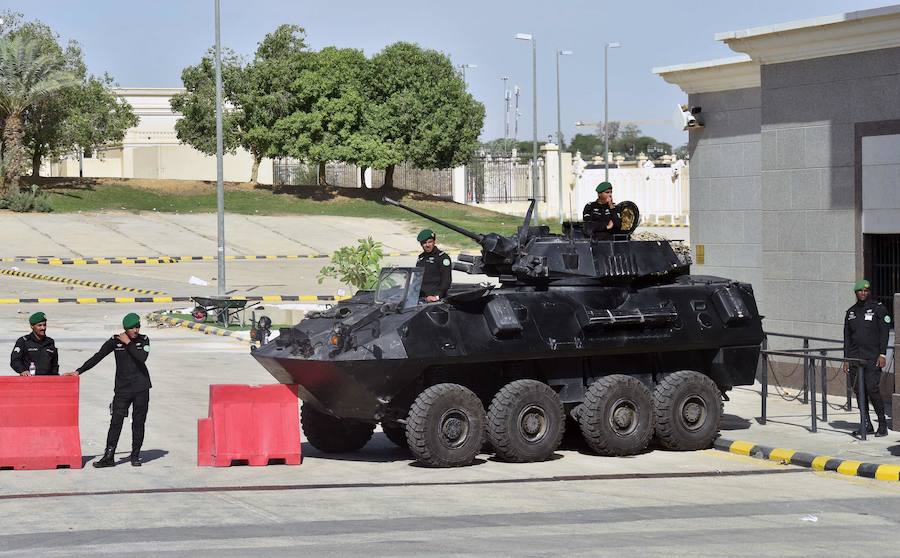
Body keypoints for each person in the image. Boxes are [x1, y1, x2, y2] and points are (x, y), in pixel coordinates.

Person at [67, 313, 152, 467]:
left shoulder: (143, 340)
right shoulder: (115, 341)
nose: (136, 330)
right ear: (126, 328)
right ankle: (109, 456)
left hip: (141, 388)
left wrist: (129, 343)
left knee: (139, 422)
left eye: (137, 327)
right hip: (122, 389)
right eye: (132, 328)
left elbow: (142, 358)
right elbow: (98, 356)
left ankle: (135, 455)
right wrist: (79, 371)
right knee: (116, 421)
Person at [842, 279, 892, 438]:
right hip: (855, 358)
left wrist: (882, 354)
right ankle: (866, 423)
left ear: (869, 292)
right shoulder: (851, 312)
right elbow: (847, 338)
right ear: (855, 293)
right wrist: (846, 359)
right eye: (860, 291)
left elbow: (885, 334)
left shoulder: (878, 309)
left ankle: (882, 424)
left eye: (866, 291)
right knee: (859, 391)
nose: (863, 293)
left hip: (872, 358)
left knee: (872, 389)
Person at [9, 312, 59, 376]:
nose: (43, 328)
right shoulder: (23, 341)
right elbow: (15, 360)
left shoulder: (50, 342)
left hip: (47, 382)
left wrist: (56, 378)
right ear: (32, 326)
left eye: (44, 325)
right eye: (39, 325)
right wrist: (23, 370)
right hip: (29, 381)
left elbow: (54, 364)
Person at [416, 228, 452, 302]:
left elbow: (446, 280)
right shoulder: (421, 258)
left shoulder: (442, 257)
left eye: (430, 242)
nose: (427, 245)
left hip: (434, 299)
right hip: (421, 297)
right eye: (424, 243)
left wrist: (437, 296)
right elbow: (417, 279)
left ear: (434, 242)